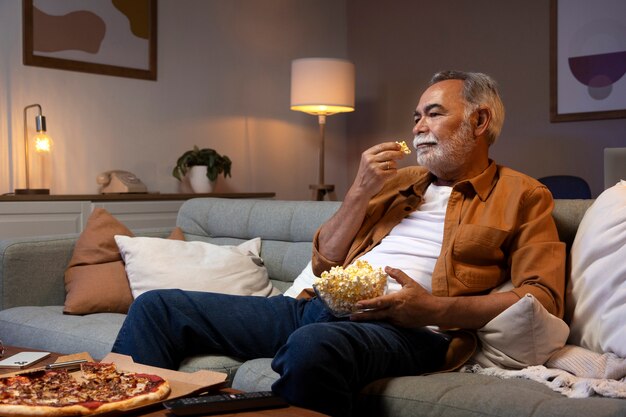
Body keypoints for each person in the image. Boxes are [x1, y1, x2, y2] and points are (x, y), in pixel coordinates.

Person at [112, 70, 565, 417]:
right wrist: (359, 190)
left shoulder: (523, 195)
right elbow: (324, 259)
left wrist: (433, 309)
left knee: (313, 347)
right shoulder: (399, 181)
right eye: (415, 116)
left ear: (480, 120)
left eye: (434, 113)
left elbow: (541, 297)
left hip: (410, 330)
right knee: (158, 307)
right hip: (315, 307)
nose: (418, 127)